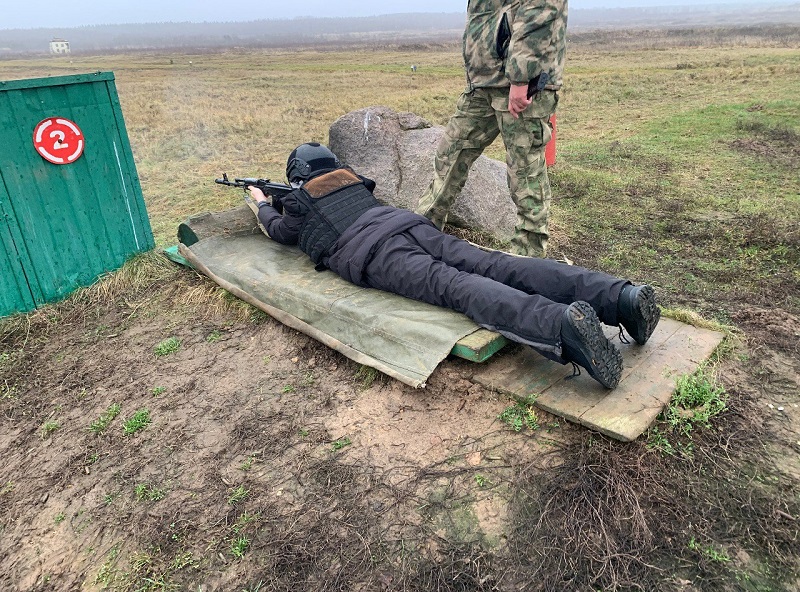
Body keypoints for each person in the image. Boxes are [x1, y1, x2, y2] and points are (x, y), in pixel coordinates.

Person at [249, 143, 660, 390]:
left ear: (296, 177)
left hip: (377, 253)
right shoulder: (354, 181)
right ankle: (619, 297)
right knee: (495, 263)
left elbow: (280, 232)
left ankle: (560, 326)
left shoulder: (299, 202)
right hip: (411, 226)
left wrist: (263, 203)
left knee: (457, 287)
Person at [416, 0, 568, 258]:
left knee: (524, 172)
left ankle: (528, 258)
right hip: (483, 83)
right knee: (449, 155)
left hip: (520, 85)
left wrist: (522, 76)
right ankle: (420, 233)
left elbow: (539, 11)